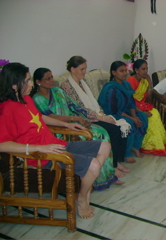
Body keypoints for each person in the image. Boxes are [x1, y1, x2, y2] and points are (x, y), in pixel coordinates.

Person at [0, 63, 110, 219]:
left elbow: (40, 117)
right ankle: (81, 198)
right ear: (13, 85)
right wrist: (39, 148)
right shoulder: (7, 110)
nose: (31, 84)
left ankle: (84, 188)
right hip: (40, 156)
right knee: (93, 166)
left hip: (55, 144)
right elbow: (2, 144)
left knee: (104, 147)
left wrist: (66, 124)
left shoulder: (26, 99)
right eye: (27, 81)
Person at [31, 67, 125, 189]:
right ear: (38, 82)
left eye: (52, 77)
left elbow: (74, 106)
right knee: (97, 136)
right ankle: (96, 177)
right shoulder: (37, 98)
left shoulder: (57, 91)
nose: (51, 80)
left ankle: (108, 173)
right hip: (59, 130)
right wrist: (74, 120)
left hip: (73, 123)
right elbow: (51, 116)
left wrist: (83, 118)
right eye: (47, 79)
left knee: (103, 132)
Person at [60, 56, 130, 174]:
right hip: (82, 119)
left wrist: (101, 113)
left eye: (85, 69)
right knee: (113, 130)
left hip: (94, 115)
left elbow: (93, 102)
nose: (85, 72)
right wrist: (101, 117)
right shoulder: (66, 86)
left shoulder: (83, 82)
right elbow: (78, 108)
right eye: (82, 69)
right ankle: (111, 167)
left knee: (121, 126)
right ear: (72, 69)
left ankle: (116, 161)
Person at [98, 61, 148, 163]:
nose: (125, 73)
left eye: (125, 70)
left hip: (124, 111)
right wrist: (132, 119)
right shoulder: (111, 88)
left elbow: (131, 103)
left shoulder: (126, 84)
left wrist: (135, 116)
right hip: (113, 114)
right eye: (121, 71)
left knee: (143, 117)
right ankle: (127, 153)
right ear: (114, 72)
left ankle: (135, 146)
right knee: (129, 123)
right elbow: (114, 110)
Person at [127, 59, 166, 156]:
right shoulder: (130, 81)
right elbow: (129, 101)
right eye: (143, 69)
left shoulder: (144, 80)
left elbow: (148, 97)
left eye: (147, 68)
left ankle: (156, 144)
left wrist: (150, 82)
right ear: (136, 70)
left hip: (143, 104)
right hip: (132, 107)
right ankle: (145, 145)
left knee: (155, 113)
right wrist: (142, 112)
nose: (146, 71)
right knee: (150, 117)